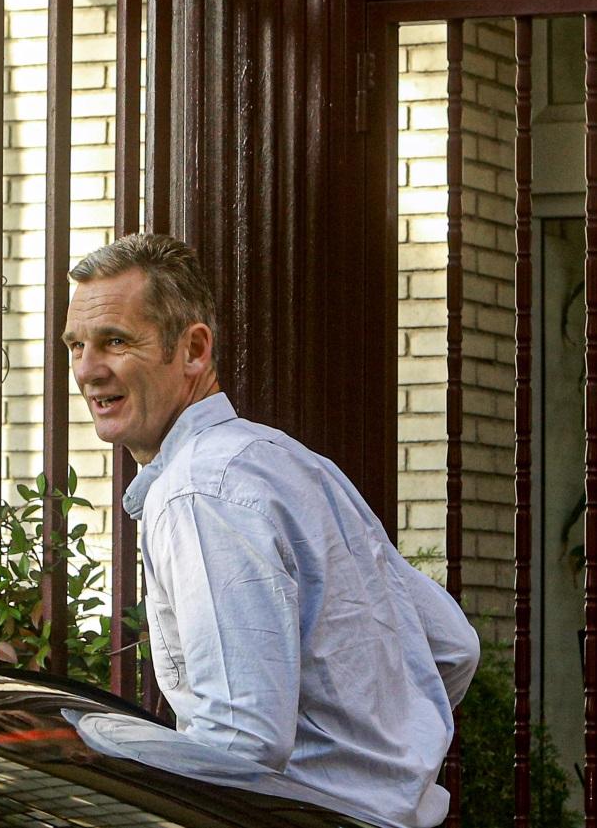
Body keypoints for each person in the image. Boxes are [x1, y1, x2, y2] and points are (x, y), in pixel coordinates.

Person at [62, 233, 480, 828]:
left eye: (116, 341)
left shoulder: (196, 492)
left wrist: (89, 753)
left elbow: (236, 741)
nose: (87, 370)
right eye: (75, 345)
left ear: (195, 350)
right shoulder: (286, 461)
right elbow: (451, 648)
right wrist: (378, 766)